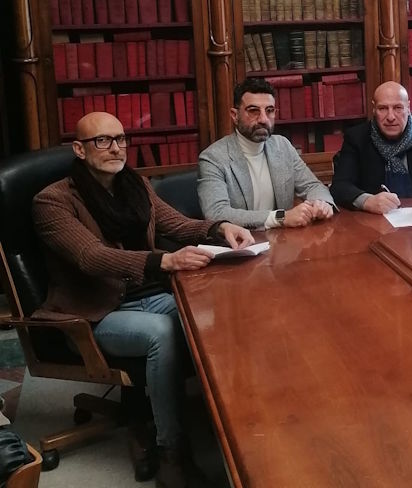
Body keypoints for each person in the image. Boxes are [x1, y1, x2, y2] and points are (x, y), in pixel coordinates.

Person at [32, 112, 254, 487]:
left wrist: (220, 227)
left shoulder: (135, 185)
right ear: (80, 150)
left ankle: (233, 423)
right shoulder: (52, 201)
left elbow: (177, 224)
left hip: (150, 295)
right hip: (97, 314)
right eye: (102, 140)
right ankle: (172, 452)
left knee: (217, 308)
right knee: (161, 332)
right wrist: (163, 260)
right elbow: (91, 257)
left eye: (120, 139)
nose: (115, 148)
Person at [198, 78, 335, 229]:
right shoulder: (213, 157)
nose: (263, 119)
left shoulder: (282, 146)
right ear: (235, 115)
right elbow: (216, 213)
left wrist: (322, 203)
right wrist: (280, 217)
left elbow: (312, 186)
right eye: (253, 111)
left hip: (283, 239)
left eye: (269, 111)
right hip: (242, 241)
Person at [330, 81, 412, 214]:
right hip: (374, 220)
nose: (391, 117)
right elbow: (340, 186)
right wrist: (366, 201)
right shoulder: (356, 138)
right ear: (374, 109)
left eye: (398, 108)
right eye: (383, 108)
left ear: (408, 108)